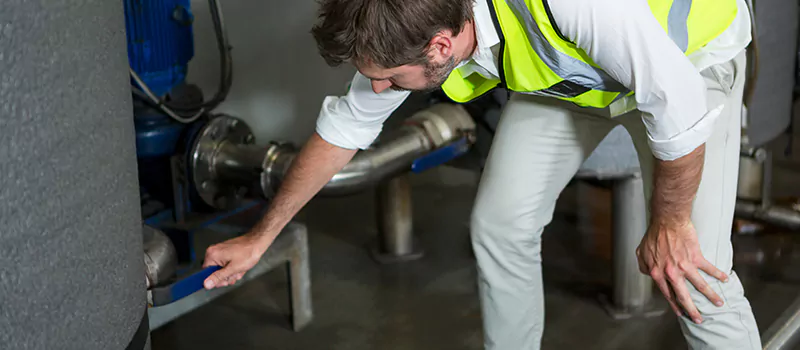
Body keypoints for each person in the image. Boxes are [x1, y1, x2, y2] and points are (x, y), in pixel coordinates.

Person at [202, 0, 760, 348]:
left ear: (441, 46)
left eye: (390, 80)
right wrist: (260, 237)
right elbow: (345, 127)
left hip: (690, 62)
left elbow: (678, 106)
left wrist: (669, 221)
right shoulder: (411, 20)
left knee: (694, 273)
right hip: (581, 77)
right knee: (499, 224)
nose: (378, 89)